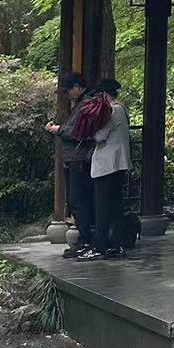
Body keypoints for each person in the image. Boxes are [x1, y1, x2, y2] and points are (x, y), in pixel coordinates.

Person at [45, 76, 94, 258]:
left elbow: (77, 132)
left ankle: (86, 240)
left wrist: (58, 130)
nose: (66, 95)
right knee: (78, 201)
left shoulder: (85, 105)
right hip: (78, 158)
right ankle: (86, 239)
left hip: (78, 158)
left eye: (67, 91)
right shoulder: (83, 104)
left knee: (77, 201)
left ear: (77, 87)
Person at [87, 78, 130, 259]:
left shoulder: (112, 111)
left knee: (102, 207)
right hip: (119, 164)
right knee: (115, 206)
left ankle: (100, 246)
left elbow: (100, 136)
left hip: (107, 165)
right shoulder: (122, 109)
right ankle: (117, 244)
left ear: (104, 94)